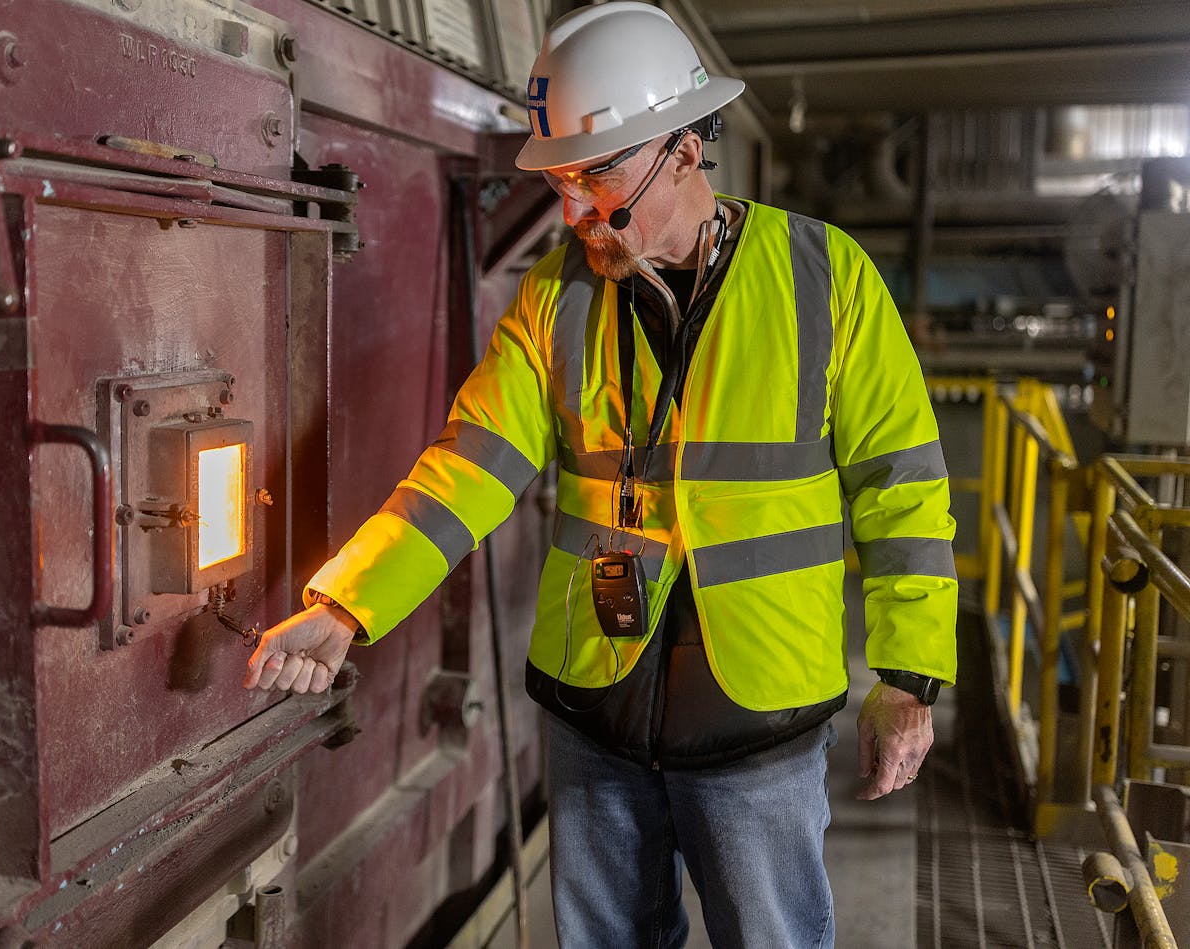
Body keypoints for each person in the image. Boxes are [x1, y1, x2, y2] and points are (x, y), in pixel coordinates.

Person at [243, 3, 957, 946]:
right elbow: (469, 468)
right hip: (595, 715)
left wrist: (909, 676)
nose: (573, 209)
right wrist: (344, 606)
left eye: (597, 175)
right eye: (564, 181)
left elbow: (901, 485)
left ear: (685, 149)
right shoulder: (557, 296)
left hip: (761, 725)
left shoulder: (827, 278)